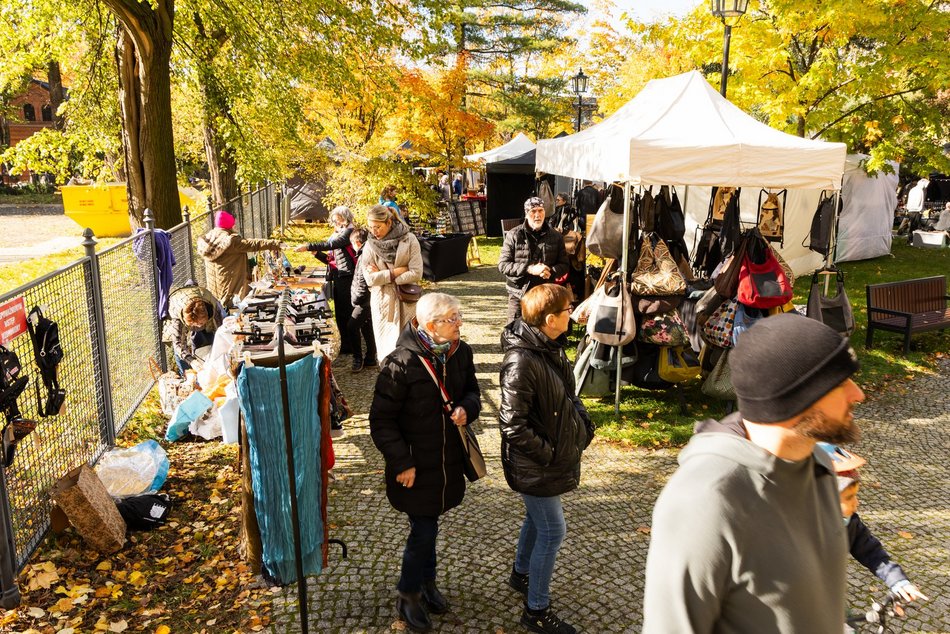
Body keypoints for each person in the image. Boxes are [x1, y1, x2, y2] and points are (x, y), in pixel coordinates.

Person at [643, 313, 865, 633]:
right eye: (840, 383)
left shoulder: (818, 464)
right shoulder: (705, 501)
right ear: (795, 399)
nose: (858, 394)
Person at [370, 293, 481, 633]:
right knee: (424, 528)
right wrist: (402, 462)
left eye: (459, 316)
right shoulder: (399, 363)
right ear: (430, 326)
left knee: (430, 524)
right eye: (452, 318)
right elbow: (381, 421)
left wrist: (467, 408)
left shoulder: (461, 352)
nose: (459, 323)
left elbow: (472, 392)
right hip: (415, 465)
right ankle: (408, 594)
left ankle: (426, 585)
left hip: (446, 462)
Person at [499, 284, 594, 634]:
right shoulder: (522, 360)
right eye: (569, 309)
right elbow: (512, 424)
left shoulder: (550, 348)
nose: (573, 313)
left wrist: (584, 424)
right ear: (550, 319)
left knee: (536, 519)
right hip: (535, 464)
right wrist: (549, 454)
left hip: (547, 461)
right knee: (553, 530)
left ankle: (521, 574)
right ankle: (536, 610)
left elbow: (568, 394)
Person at [817, 443, 928, 605]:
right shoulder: (797, 528)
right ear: (824, 499)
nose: (857, 503)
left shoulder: (850, 523)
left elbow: (872, 553)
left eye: (856, 495)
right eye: (849, 497)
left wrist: (899, 582)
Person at [361, 205, 423, 362]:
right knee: (386, 350)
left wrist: (384, 277)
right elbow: (369, 279)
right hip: (382, 302)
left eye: (378, 227)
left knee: (409, 347)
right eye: (371, 227)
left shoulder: (409, 240)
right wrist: (396, 272)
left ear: (389, 222)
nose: (374, 232)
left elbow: (416, 272)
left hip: (406, 301)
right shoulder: (369, 245)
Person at [294, 206, 357, 358]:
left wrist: (309, 246)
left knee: (346, 311)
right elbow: (331, 259)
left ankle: (351, 345)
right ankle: (346, 344)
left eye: (338, 219)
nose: (335, 222)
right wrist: (316, 253)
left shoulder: (348, 232)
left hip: (346, 275)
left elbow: (331, 245)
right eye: (334, 220)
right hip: (337, 274)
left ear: (346, 218)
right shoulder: (338, 233)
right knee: (340, 312)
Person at [498, 197, 570, 324]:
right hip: (519, 292)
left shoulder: (556, 236)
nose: (537, 215)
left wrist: (551, 271)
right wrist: (529, 268)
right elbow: (503, 265)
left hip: (545, 293)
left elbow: (564, 265)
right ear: (526, 214)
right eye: (533, 211)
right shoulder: (514, 235)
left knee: (542, 331)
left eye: (540, 210)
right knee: (514, 332)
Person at [196, 210, 283, 308]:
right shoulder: (231, 241)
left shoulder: (208, 241)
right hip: (232, 289)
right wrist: (276, 244)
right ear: (229, 225)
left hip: (215, 289)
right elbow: (253, 244)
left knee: (222, 311)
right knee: (236, 311)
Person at [165, 285, 224, 375]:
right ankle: (186, 375)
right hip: (178, 300)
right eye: (195, 324)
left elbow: (223, 330)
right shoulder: (177, 319)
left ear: (207, 315)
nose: (199, 326)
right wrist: (191, 361)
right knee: (179, 352)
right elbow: (178, 344)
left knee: (213, 343)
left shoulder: (214, 307)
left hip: (202, 296)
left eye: (201, 323)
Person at [347, 226, 377, 373]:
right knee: (366, 327)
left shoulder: (365, 254)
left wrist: (357, 299)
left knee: (352, 327)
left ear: (357, 243)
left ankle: (358, 358)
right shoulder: (365, 252)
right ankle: (371, 358)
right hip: (366, 299)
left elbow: (362, 281)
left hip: (364, 299)